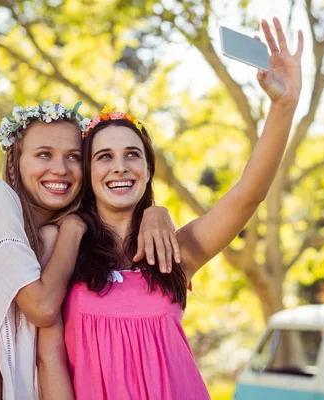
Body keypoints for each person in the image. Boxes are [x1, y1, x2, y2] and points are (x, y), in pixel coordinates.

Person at [37, 17, 303, 399]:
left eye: (133, 155)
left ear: (147, 170)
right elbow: (49, 360)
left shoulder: (177, 251)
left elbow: (248, 194)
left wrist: (284, 106)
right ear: (87, 170)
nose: (119, 167)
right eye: (104, 156)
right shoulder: (62, 244)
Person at [0, 101, 179, 400]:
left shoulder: (63, 246)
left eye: (74, 157)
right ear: (15, 162)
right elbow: (42, 307)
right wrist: (74, 226)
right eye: (44, 154)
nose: (60, 169)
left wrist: (155, 211)